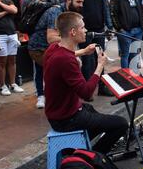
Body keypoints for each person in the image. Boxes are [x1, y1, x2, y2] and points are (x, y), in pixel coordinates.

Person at [43, 11, 128, 154]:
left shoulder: (54, 48)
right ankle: (93, 156)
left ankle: (80, 144)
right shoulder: (67, 61)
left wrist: (82, 51)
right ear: (73, 32)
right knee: (121, 124)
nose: (86, 30)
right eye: (83, 27)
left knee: (90, 110)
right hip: (66, 119)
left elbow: (66, 55)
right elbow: (87, 93)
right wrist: (100, 65)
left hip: (56, 113)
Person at [23, 0, 59, 108]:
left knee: (53, 68)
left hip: (52, 38)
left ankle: (51, 93)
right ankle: (40, 95)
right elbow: (24, 21)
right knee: (38, 69)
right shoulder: (28, 0)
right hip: (36, 40)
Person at [73, 0, 113, 81]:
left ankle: (101, 85)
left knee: (100, 58)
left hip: (99, 29)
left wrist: (109, 26)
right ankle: (87, 88)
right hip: (83, 31)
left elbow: (105, 7)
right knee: (87, 61)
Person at [110, 0, 143, 70]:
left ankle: (134, 74)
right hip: (125, 31)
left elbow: (140, 10)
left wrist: (142, 27)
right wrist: (119, 29)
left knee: (135, 54)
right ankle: (126, 75)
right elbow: (113, 14)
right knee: (125, 54)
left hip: (138, 30)